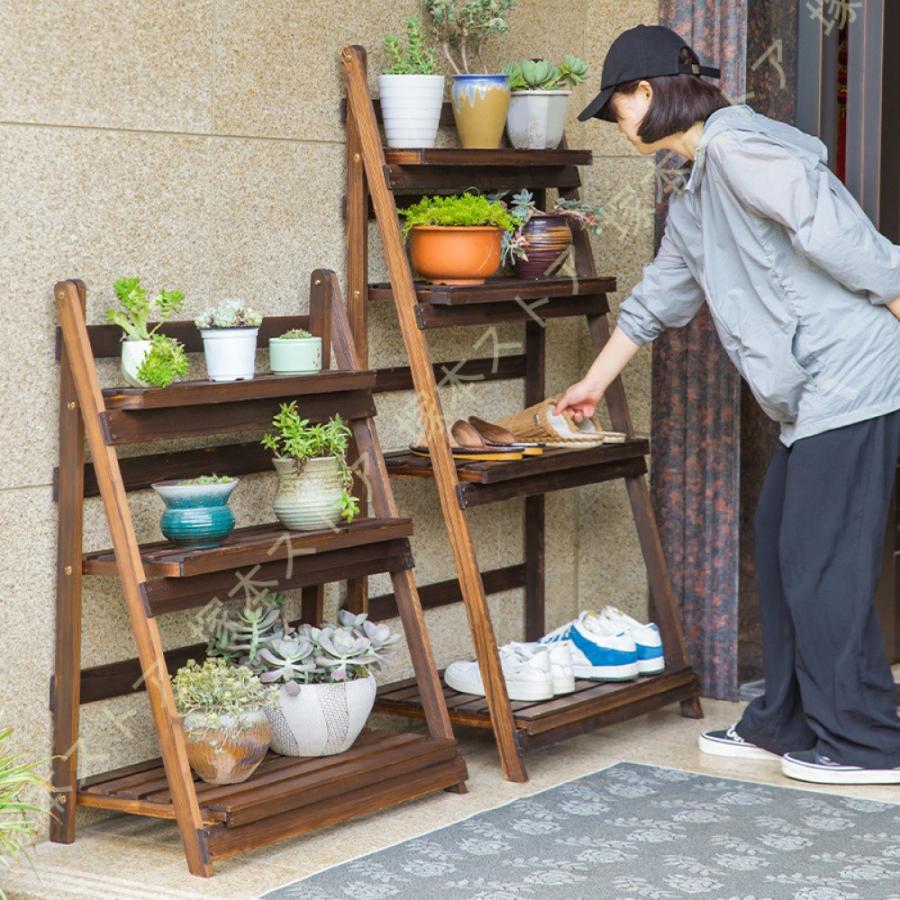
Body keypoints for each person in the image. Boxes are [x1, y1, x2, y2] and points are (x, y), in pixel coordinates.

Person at [558, 24, 900, 785]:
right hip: (810, 395)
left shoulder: (740, 151)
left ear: (647, 92)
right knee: (781, 547)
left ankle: (868, 740)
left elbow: (833, 229)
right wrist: (593, 383)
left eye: (615, 105)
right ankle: (786, 720)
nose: (614, 121)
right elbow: (658, 299)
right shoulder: (696, 191)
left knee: (821, 563)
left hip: (851, 374)